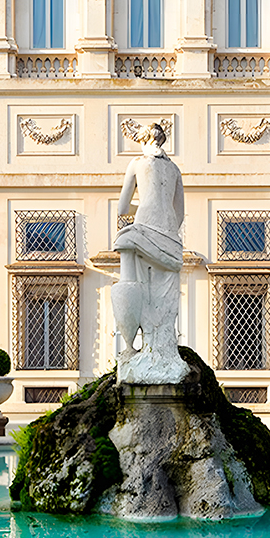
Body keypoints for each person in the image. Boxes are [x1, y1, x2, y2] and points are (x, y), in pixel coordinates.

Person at [112, 123, 187, 383]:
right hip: (169, 235)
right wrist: (165, 231)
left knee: (137, 285)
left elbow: (123, 208)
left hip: (144, 226)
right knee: (165, 299)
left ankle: (133, 347)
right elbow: (179, 212)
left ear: (143, 141)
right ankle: (164, 353)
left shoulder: (137, 164)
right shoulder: (174, 169)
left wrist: (143, 208)